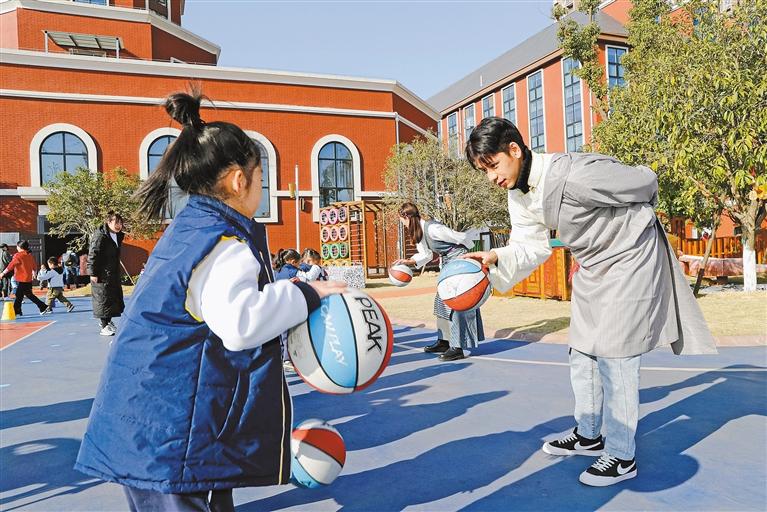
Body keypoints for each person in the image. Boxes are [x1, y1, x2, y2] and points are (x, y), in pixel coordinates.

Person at [74, 90, 345, 512]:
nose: (262, 190)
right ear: (239, 181)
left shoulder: (188, 232)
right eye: (261, 179)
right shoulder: (224, 244)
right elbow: (240, 324)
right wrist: (306, 292)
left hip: (147, 421)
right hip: (179, 432)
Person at [463, 117, 717, 487]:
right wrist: (496, 257)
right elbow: (530, 246)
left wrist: (631, 226)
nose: (491, 177)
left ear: (514, 150)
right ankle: (588, 435)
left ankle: (622, 455)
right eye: (483, 171)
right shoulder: (519, 194)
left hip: (630, 259)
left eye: (493, 165)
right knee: (582, 351)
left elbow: (644, 181)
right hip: (593, 265)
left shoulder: (578, 174)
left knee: (616, 354)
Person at [392, 202, 484, 362]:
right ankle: (444, 341)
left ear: (407, 217)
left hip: (458, 260)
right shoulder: (420, 230)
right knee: (441, 301)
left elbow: (461, 237)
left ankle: (458, 347)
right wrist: (409, 261)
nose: (403, 224)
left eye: (402, 220)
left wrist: (469, 258)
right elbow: (426, 254)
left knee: (457, 303)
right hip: (448, 261)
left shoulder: (434, 228)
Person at [88, 211, 125, 336]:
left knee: (111, 298)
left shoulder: (116, 236)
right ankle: (104, 326)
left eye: (120, 223)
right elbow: (93, 254)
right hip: (101, 273)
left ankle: (108, 322)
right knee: (103, 298)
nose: (119, 225)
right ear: (108, 222)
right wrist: (93, 273)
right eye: (116, 222)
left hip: (112, 273)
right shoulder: (100, 236)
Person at [0, 240, 47, 316]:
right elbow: (34, 266)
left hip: (21, 279)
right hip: (28, 279)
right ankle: (19, 311)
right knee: (23, 295)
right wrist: (34, 273)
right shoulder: (29, 255)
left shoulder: (17, 255)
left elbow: (11, 265)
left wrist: (3, 273)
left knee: (21, 295)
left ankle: (42, 307)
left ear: (19, 247)